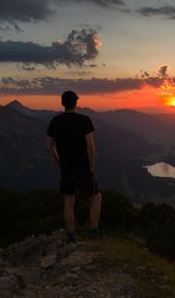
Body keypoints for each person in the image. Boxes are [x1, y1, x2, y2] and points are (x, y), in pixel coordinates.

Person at [46, 90, 102, 243]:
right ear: (76, 102)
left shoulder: (55, 121)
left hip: (66, 168)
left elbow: (49, 146)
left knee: (69, 200)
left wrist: (58, 162)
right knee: (96, 197)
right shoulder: (84, 120)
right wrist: (92, 166)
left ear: (62, 103)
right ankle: (94, 231)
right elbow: (91, 146)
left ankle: (70, 235)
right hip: (84, 167)